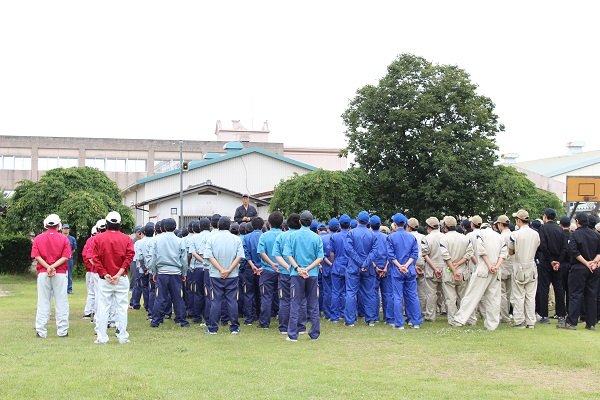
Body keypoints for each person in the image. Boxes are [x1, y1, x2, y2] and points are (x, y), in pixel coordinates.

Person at [451, 222, 507, 330]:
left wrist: (489, 265)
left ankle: (459, 320)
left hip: (483, 269)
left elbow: (481, 251)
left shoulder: (480, 234)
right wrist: (496, 266)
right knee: (493, 299)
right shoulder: (499, 237)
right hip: (496, 270)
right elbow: (503, 253)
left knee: (471, 295)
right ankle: (492, 325)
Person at [92, 211, 135, 344]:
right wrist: (118, 273)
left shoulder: (98, 238)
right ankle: (122, 336)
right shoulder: (126, 238)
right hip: (121, 277)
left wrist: (105, 274)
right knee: (122, 307)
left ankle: (102, 337)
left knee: (103, 307)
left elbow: (95, 258)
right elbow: (129, 257)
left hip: (105, 279)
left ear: (106, 223)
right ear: (119, 223)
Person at [284, 210, 324, 341]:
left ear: (300, 221)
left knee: (295, 303)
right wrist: (307, 269)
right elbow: (320, 258)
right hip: (312, 274)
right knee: (313, 303)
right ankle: (314, 334)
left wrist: (298, 268)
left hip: (296, 274)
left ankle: (292, 335)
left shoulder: (292, 236)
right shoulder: (316, 237)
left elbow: (288, 255)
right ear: (311, 222)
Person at [31, 214, 72, 338]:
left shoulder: (38, 238)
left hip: (43, 272)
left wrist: (48, 267)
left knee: (43, 301)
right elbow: (65, 257)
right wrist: (53, 266)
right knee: (61, 301)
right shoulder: (64, 239)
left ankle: (41, 330)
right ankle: (62, 331)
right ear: (58, 225)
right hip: (59, 273)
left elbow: (36, 256)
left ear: (45, 225)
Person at [558, 212, 600, 330]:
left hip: (579, 268)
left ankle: (571, 322)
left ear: (577, 222)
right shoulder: (595, 235)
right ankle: (591, 323)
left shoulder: (575, 235)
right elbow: (599, 252)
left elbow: (574, 252)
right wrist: (594, 262)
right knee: (591, 295)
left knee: (575, 294)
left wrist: (586, 262)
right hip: (594, 268)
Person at [204, 216, 245, 334]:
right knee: (232, 301)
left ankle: (213, 328)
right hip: (232, 275)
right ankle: (234, 328)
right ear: (230, 226)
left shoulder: (212, 239)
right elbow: (239, 256)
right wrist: (228, 270)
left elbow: (209, 257)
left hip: (216, 275)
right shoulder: (236, 239)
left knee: (215, 300)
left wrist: (221, 270)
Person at [147, 218, 189, 328]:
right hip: (176, 273)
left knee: (160, 297)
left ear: (163, 228)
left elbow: (153, 258)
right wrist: (184, 273)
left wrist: (154, 272)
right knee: (178, 297)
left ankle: (156, 320)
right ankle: (182, 320)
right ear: (175, 227)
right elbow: (183, 259)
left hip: (162, 273)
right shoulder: (180, 241)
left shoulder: (157, 240)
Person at [386, 213, 422, 329]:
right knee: (413, 296)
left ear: (395, 224)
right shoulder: (411, 237)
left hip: (397, 271)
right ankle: (415, 321)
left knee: (397, 297)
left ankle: (399, 323)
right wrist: (406, 265)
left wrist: (399, 266)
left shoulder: (391, 237)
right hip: (409, 270)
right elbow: (414, 254)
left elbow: (390, 255)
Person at [344, 210, 378, 326]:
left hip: (354, 267)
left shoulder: (351, 233)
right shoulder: (372, 234)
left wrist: (360, 263)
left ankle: (350, 321)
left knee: (351, 293)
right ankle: (371, 320)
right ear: (368, 221)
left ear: (357, 220)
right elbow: (374, 251)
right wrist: (365, 263)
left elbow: (349, 250)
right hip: (368, 268)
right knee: (369, 293)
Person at [508, 209, 540, 329]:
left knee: (518, 295)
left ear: (518, 221)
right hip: (531, 266)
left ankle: (519, 320)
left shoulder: (514, 234)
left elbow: (510, 251)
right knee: (530, 295)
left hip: (518, 266)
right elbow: (537, 246)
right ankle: (531, 321)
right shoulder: (535, 234)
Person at [440, 216, 474, 324]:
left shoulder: (444, 239)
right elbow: (469, 254)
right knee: (464, 297)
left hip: (449, 271)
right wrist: (458, 264)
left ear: (445, 227)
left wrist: (453, 269)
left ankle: (453, 320)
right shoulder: (464, 238)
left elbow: (446, 256)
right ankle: (466, 318)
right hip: (462, 270)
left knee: (450, 298)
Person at [536, 208, 567, 324]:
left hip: (546, 262)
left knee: (544, 288)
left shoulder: (542, 228)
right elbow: (565, 248)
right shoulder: (561, 230)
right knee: (559, 288)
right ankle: (561, 315)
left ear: (545, 216)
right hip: (558, 263)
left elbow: (543, 246)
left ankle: (544, 315)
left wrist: (550, 260)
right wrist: (558, 261)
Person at [272, 213, 302, 335]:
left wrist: (286, 266)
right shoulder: (303, 236)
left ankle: (284, 327)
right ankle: (300, 327)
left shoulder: (281, 236)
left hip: (285, 272)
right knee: (300, 299)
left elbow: (277, 254)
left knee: (284, 299)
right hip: (301, 273)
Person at [257, 212, 284, 329]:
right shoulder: (285, 235)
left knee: (266, 297)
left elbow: (261, 252)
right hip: (283, 270)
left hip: (267, 271)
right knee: (283, 297)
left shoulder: (264, 236)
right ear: (282, 223)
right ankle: (283, 322)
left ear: (269, 223)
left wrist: (271, 264)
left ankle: (264, 323)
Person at [421, 217, 445, 321]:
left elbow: (425, 255)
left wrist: (435, 268)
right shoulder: (445, 237)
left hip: (431, 269)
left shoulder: (426, 238)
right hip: (445, 268)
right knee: (446, 294)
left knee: (431, 293)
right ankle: (450, 313)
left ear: (428, 227)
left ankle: (430, 315)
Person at [329, 214, 351, 323]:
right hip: (349, 267)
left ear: (339, 225)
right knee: (348, 292)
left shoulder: (334, 237)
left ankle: (334, 317)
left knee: (335, 292)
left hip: (337, 265)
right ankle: (345, 314)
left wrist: (334, 263)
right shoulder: (352, 235)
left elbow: (331, 253)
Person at [189, 218, 211, 325]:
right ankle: (208, 316)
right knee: (209, 293)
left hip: (197, 268)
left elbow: (193, 253)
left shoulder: (194, 238)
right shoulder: (213, 236)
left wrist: (202, 261)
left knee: (198, 293)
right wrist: (207, 262)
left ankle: (197, 316)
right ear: (209, 225)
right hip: (210, 268)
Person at [242, 217, 263, 325]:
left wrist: (253, 266)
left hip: (249, 269)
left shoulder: (246, 238)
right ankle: (261, 316)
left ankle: (249, 318)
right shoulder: (265, 236)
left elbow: (245, 254)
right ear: (262, 226)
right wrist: (260, 267)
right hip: (263, 269)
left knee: (249, 293)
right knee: (262, 294)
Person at [371, 215, 392, 324]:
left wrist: (375, 266)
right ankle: (389, 318)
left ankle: (374, 317)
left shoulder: (369, 237)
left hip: (372, 268)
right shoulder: (386, 237)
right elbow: (391, 254)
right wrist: (385, 267)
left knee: (373, 293)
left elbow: (367, 254)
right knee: (387, 293)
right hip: (386, 268)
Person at [494, 215, 513, 323]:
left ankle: (504, 316)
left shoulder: (500, 237)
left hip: (502, 266)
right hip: (513, 267)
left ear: (500, 224)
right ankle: (508, 314)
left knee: (502, 293)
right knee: (509, 293)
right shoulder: (513, 234)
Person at [406, 218, 426, 314]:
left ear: (408, 226)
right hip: (422, 262)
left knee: (408, 288)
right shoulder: (423, 237)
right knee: (421, 290)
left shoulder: (407, 236)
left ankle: (408, 311)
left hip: (409, 263)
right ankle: (421, 310)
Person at [320, 218, 338, 320]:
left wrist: (330, 264)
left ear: (328, 227)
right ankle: (339, 312)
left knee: (327, 291)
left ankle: (327, 313)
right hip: (339, 267)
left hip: (327, 268)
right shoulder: (342, 237)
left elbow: (321, 255)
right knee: (340, 291)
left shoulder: (323, 239)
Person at [130, 226, 147, 310]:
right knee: (136, 282)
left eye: (141, 232)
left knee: (141, 284)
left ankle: (137, 302)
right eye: (138, 232)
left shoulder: (141, 241)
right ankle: (134, 302)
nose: (140, 233)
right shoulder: (134, 241)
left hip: (141, 263)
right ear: (135, 233)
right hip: (135, 262)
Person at [81, 226, 97, 319]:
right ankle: (95, 312)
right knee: (99, 293)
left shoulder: (90, 240)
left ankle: (88, 312)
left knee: (91, 292)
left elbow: (85, 255)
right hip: (99, 271)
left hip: (91, 270)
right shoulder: (101, 238)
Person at [61, 223, 77, 294]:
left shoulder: (72, 238)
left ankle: (69, 289)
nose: (66, 230)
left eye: (67, 228)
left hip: (69, 258)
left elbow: (74, 248)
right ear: (62, 229)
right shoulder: (59, 237)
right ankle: (61, 289)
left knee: (69, 273)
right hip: (60, 258)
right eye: (64, 228)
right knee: (60, 273)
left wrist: (69, 254)